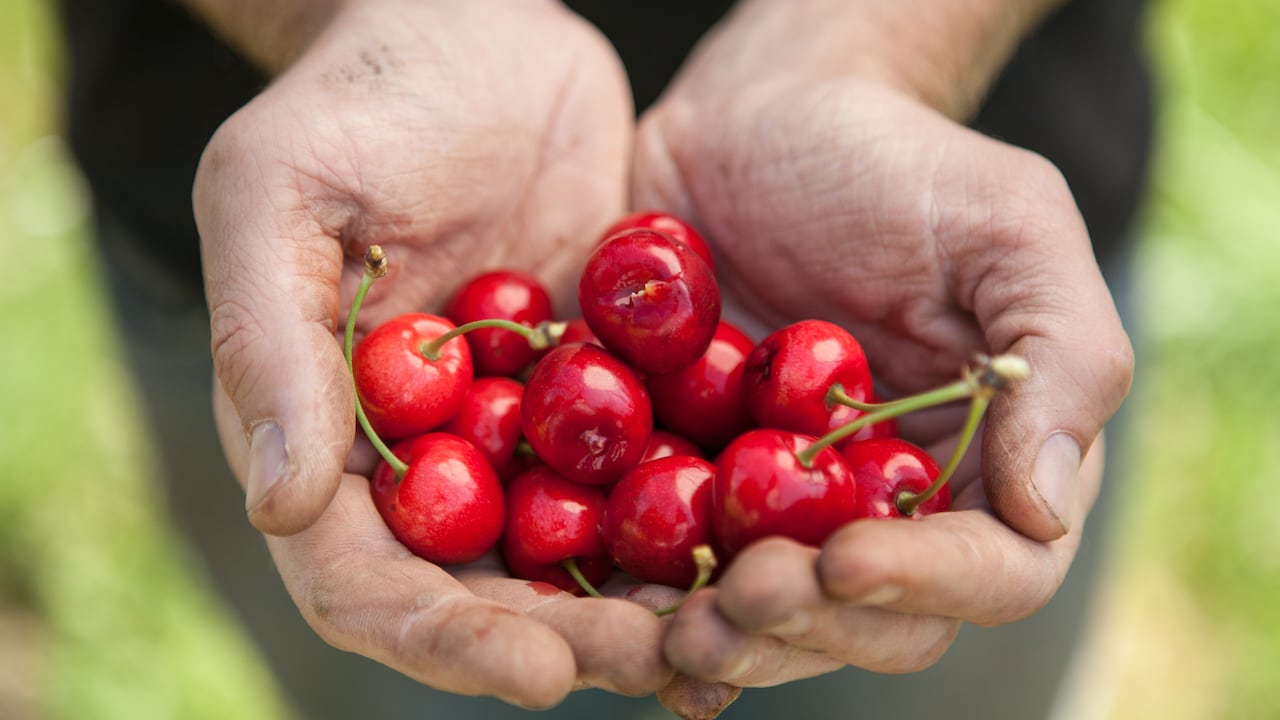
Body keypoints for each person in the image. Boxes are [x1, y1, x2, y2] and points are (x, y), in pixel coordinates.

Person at [57, 0, 1152, 717]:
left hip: (913, 287)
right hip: (312, 255)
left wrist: (870, 43)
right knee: (392, 667)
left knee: (906, 645)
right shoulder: (476, 373)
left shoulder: (834, 399)